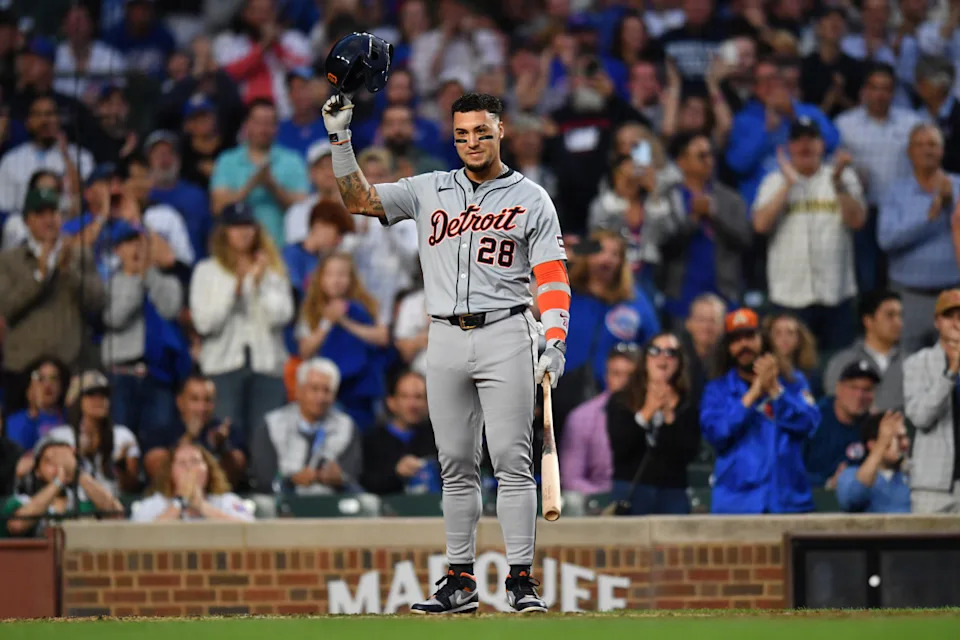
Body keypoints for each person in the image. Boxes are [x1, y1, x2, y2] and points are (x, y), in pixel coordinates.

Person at [323, 89, 569, 613]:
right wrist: (340, 138)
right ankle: (459, 580)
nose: (472, 141)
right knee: (455, 462)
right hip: (444, 335)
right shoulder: (429, 188)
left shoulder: (532, 197)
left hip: (506, 329)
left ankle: (520, 579)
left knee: (510, 460)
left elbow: (550, 273)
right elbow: (359, 200)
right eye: (461, 134)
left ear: (501, 130)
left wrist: (556, 335)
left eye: (482, 131)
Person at [752, 117, 865, 352]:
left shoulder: (843, 177)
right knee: (791, 369)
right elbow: (760, 225)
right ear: (788, 146)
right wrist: (788, 185)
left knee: (838, 367)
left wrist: (838, 184)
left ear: (821, 145)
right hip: (789, 297)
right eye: (798, 140)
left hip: (837, 294)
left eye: (811, 139)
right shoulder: (774, 181)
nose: (805, 146)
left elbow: (857, 221)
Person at [189, 203, 293, 443]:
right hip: (222, 367)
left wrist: (257, 285)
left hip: (267, 366)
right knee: (226, 438)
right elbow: (205, 324)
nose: (243, 232)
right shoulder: (206, 271)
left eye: (247, 226)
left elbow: (282, 316)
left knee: (265, 439)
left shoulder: (273, 271)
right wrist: (235, 290)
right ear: (224, 231)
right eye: (236, 227)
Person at [700, 308, 821, 513]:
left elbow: (809, 424)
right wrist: (754, 393)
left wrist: (775, 389)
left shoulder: (793, 381)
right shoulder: (716, 390)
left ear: (763, 340)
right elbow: (716, 433)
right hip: (737, 503)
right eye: (736, 340)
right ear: (728, 347)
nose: (743, 345)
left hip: (788, 500)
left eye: (749, 336)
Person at [0, 188, 105, 414]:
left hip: (69, 367)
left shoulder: (79, 255)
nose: (48, 220)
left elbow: (97, 301)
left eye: (53, 212)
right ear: (28, 220)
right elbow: (5, 306)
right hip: (21, 368)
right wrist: (39, 274)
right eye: (40, 213)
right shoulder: (9, 260)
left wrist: (70, 273)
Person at [835, 63, 921, 292]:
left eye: (886, 89)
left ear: (893, 92)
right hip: (864, 210)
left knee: (901, 273)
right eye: (874, 88)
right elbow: (834, 167)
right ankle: (868, 322)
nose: (880, 94)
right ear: (864, 91)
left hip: (902, 210)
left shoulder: (911, 124)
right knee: (866, 275)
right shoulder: (845, 125)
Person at [878, 123, 960, 355]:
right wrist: (932, 216)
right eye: (920, 144)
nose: (927, 150)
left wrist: (951, 203)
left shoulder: (959, 187)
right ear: (909, 152)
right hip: (909, 298)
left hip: (953, 298)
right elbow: (887, 241)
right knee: (908, 371)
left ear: (942, 150)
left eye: (933, 144)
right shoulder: (895, 191)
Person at [101, 220, 184, 446]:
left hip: (158, 377)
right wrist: (135, 280)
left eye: (140, 241)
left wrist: (148, 275)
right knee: (121, 444)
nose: (135, 248)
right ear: (117, 249)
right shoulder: (108, 284)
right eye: (128, 242)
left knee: (157, 447)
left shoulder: (167, 281)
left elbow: (170, 309)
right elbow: (114, 318)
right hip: (120, 377)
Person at [653, 132, 750, 323]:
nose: (709, 161)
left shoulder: (729, 198)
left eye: (710, 154)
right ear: (681, 161)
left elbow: (744, 239)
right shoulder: (669, 199)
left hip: (723, 291)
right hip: (681, 294)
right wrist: (693, 219)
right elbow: (664, 245)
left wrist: (715, 216)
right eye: (701, 156)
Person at [606, 333, 701, 514]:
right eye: (655, 350)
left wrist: (669, 415)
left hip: (672, 493)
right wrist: (648, 411)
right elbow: (620, 446)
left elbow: (688, 453)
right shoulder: (622, 400)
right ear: (645, 358)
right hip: (631, 489)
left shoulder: (687, 404)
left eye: (671, 352)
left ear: (679, 361)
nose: (663, 357)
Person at [725, 58, 839, 207]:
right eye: (762, 81)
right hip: (763, 206)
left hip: (808, 202)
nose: (769, 86)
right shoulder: (743, 119)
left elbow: (833, 143)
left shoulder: (809, 112)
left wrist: (793, 115)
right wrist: (765, 131)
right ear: (754, 88)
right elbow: (738, 165)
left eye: (774, 79)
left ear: (784, 82)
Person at [297, 253, 388, 432]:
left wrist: (345, 321)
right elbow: (305, 350)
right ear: (320, 278)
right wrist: (327, 321)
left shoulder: (366, 305)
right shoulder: (310, 309)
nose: (336, 281)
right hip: (327, 390)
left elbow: (382, 337)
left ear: (351, 278)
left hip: (361, 390)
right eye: (330, 275)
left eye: (341, 275)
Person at [565, 230, 661, 396]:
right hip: (561, 390)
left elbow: (653, 344)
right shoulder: (565, 291)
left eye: (615, 254)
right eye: (600, 250)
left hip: (616, 396)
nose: (607, 259)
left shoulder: (634, 299)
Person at [250, 358, 361, 496]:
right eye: (314, 389)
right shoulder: (272, 424)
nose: (320, 397)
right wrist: (291, 480)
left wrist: (340, 477)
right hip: (283, 500)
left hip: (331, 500)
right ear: (298, 390)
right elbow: (264, 478)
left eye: (326, 390)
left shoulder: (346, 426)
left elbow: (352, 472)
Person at [211, 99, 309, 248]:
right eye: (258, 122)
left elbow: (303, 207)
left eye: (269, 123)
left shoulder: (292, 160)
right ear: (246, 125)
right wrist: (252, 184)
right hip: (236, 250)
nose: (263, 129)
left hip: (281, 248)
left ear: (277, 127)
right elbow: (219, 207)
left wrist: (273, 186)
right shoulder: (227, 160)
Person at [904, 289, 960, 513]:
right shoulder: (917, 363)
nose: (957, 323)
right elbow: (921, 417)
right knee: (928, 548)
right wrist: (951, 372)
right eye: (949, 316)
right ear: (937, 322)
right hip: (932, 487)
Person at [0, 94, 93, 229]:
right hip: (25, 228)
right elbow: (5, 207)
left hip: (66, 225)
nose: (44, 120)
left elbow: (83, 198)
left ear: (59, 119)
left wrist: (65, 155)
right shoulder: (11, 160)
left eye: (50, 114)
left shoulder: (81, 156)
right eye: (38, 115)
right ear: (28, 122)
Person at [44, 371, 141, 496]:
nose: (100, 399)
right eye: (91, 394)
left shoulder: (123, 436)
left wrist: (120, 466)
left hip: (112, 507)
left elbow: (131, 488)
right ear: (76, 399)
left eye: (104, 395)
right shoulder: (59, 437)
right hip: (71, 507)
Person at [142, 373, 247, 487]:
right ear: (180, 402)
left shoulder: (226, 432)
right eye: (194, 399)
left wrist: (222, 447)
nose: (202, 407)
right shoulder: (160, 433)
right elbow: (157, 473)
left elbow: (236, 475)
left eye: (208, 400)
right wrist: (189, 437)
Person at [559, 345, 639, 495]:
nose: (623, 382)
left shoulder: (654, 415)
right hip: (597, 507)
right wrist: (606, 497)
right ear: (606, 376)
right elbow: (571, 479)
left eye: (630, 375)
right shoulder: (582, 417)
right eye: (616, 374)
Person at [212, 0, 311, 119]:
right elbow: (228, 75)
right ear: (245, 13)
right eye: (257, 11)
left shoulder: (293, 38)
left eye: (267, 11)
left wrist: (277, 46)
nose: (262, 17)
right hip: (243, 115)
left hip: (284, 112)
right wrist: (263, 47)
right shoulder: (229, 41)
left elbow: (303, 69)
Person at [2, 440, 121, 538]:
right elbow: (16, 525)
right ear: (37, 470)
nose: (59, 465)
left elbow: (116, 513)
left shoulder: (85, 501)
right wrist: (58, 482)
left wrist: (77, 472)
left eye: (65, 460)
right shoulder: (22, 501)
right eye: (50, 461)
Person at [131, 441, 254, 523]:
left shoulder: (227, 501)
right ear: (170, 473)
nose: (189, 467)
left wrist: (202, 506)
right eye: (182, 463)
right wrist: (180, 502)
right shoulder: (153, 504)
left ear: (208, 470)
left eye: (195, 461)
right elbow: (140, 539)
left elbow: (251, 533)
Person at [361, 370, 439, 496]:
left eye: (418, 397)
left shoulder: (439, 438)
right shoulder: (372, 440)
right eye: (405, 397)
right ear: (391, 402)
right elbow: (365, 483)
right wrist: (396, 473)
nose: (412, 404)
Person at [824, 290, 905, 411]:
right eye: (890, 315)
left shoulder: (912, 362)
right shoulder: (842, 362)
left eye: (900, 315)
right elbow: (835, 406)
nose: (898, 322)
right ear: (868, 321)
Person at [804, 359, 879, 488]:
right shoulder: (812, 418)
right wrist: (826, 483)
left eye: (867, 390)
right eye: (853, 387)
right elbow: (790, 470)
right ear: (839, 388)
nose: (859, 396)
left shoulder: (872, 425)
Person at [147, 130, 214, 261]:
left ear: (178, 159)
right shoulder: (142, 197)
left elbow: (211, 237)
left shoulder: (196, 195)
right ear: (149, 161)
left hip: (194, 273)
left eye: (169, 153)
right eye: (158, 154)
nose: (164, 159)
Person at [836, 411, 911, 513]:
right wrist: (882, 443)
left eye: (905, 437)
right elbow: (852, 500)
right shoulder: (850, 474)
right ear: (873, 445)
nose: (905, 443)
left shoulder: (912, 476)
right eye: (897, 438)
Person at [283, 199, 353, 299]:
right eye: (338, 233)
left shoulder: (325, 259)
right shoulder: (291, 254)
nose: (339, 241)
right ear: (319, 225)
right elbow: (294, 293)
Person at [800, 7, 863, 117]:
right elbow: (801, 111)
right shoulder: (805, 66)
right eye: (829, 19)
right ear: (818, 27)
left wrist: (841, 98)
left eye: (839, 20)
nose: (835, 23)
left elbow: (862, 112)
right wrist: (829, 101)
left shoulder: (855, 67)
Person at [282, 141, 340, 246]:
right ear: (311, 173)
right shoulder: (298, 211)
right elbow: (298, 252)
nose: (329, 173)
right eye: (322, 167)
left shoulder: (360, 209)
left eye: (334, 166)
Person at [4, 358, 66, 451]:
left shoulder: (70, 416)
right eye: (41, 379)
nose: (47, 385)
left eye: (53, 378)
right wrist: (33, 411)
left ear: (61, 385)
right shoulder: (15, 420)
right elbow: (17, 452)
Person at [101, 0, 176, 77]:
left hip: (156, 85)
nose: (140, 13)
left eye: (144, 8)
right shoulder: (113, 36)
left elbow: (172, 66)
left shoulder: (164, 35)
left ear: (152, 10)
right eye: (136, 8)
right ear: (127, 10)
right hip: (122, 85)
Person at [276, 67, 327, 158]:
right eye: (295, 89)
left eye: (305, 88)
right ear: (289, 95)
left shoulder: (332, 126)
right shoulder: (279, 130)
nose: (301, 94)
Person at [762, 312, 819, 391]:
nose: (784, 339)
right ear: (769, 338)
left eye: (790, 333)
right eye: (778, 333)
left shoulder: (809, 372)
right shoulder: (765, 370)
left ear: (799, 339)